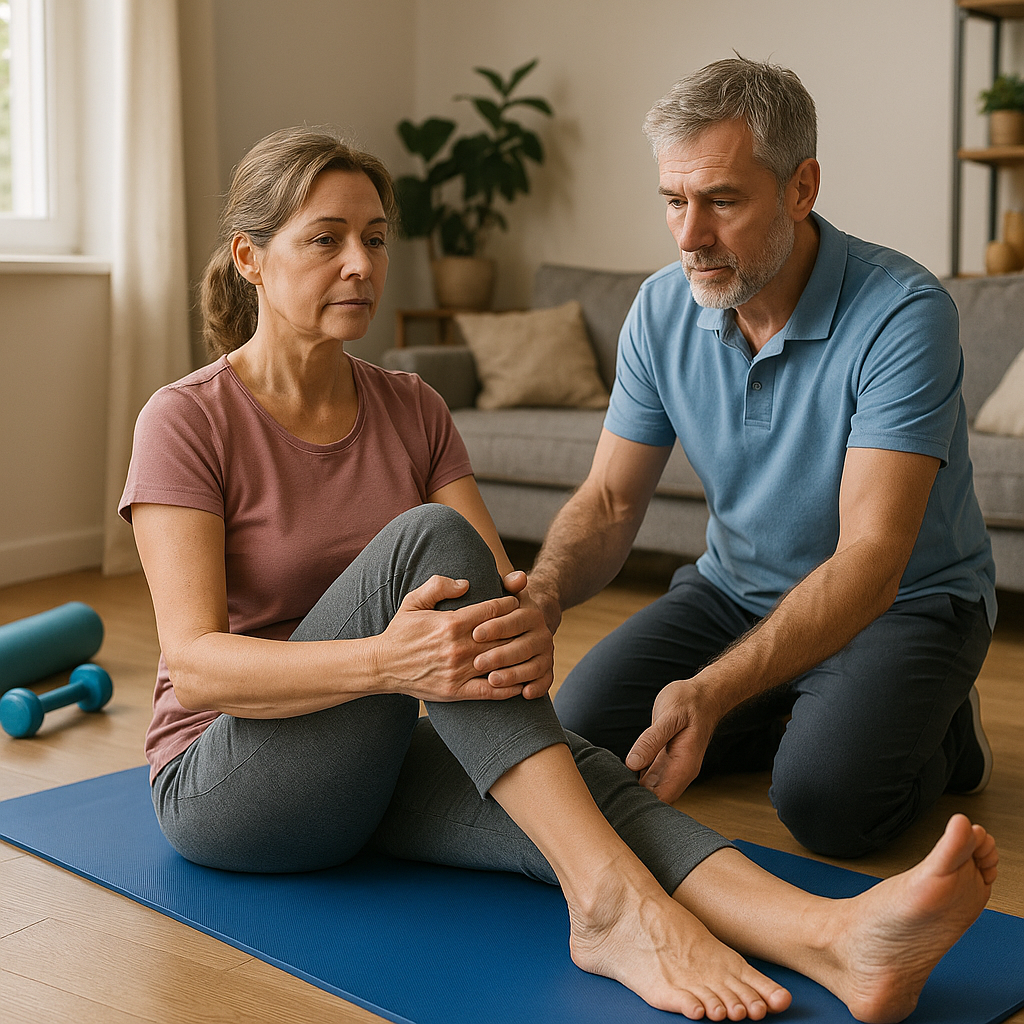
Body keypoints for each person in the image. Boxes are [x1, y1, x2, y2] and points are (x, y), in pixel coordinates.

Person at [120, 125, 998, 1023]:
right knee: (429, 541)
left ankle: (834, 938)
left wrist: (523, 627)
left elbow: (492, 593)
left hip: (365, 758)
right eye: (325, 238)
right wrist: (394, 664)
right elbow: (196, 667)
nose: (360, 263)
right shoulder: (189, 420)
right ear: (249, 259)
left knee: (579, 780)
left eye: (375, 238)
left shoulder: (413, 407)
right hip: (228, 782)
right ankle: (613, 909)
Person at [514, 58, 998, 860]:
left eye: (723, 201)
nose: (689, 236)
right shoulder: (662, 308)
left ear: (801, 188)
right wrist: (545, 593)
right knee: (578, 739)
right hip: (733, 591)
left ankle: (944, 734)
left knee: (828, 804)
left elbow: (873, 560)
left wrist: (710, 691)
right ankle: (796, 702)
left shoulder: (904, 314)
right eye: (674, 201)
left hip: (903, 602)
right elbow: (607, 502)